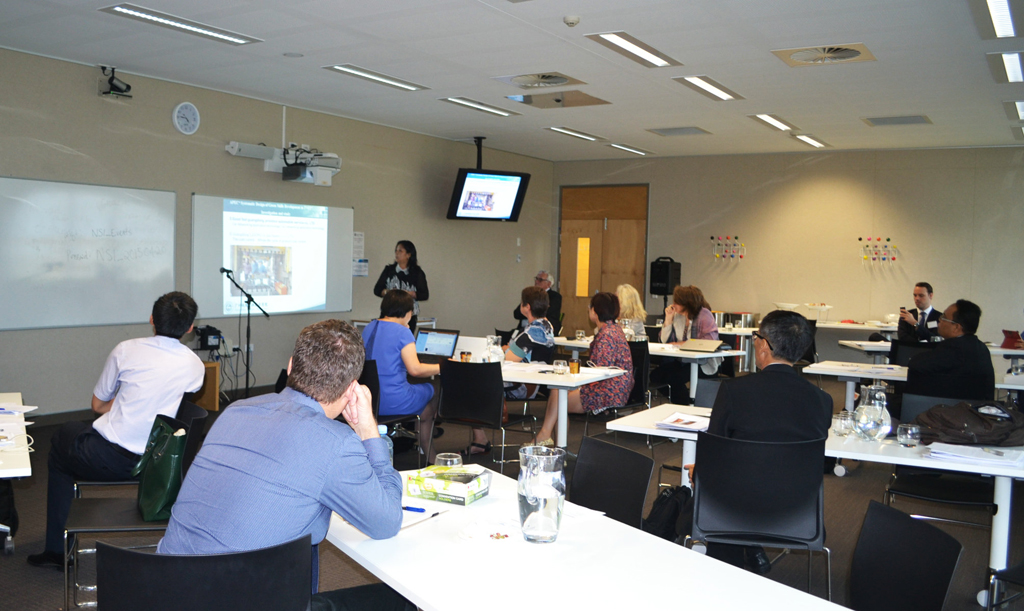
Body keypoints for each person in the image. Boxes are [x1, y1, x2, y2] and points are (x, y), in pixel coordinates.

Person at [158, 320, 412, 611]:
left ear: (291, 366)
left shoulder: (235, 411)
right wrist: (368, 432)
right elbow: (386, 522)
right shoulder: (336, 442)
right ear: (352, 388)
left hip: (164, 590)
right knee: (400, 602)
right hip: (239, 599)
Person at [29, 292, 205, 568]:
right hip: (157, 465)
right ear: (190, 327)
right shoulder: (195, 365)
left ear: (152, 319)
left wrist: (126, 400)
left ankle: (57, 550)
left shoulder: (126, 349)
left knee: (62, 439)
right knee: (75, 432)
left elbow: (98, 405)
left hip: (108, 458)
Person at [705, 309, 833, 574]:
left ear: (764, 345)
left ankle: (723, 574)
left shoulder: (734, 391)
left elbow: (715, 452)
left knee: (710, 483)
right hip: (798, 513)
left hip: (735, 511)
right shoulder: (823, 400)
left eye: (756, 336)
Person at [534, 292, 634, 446]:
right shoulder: (614, 330)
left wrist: (577, 382)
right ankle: (554, 443)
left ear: (595, 311)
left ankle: (547, 437)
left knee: (558, 396)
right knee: (558, 392)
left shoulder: (606, 336)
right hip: (617, 386)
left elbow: (600, 371)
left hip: (608, 390)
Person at [468, 287, 554, 454]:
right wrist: (508, 348)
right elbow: (511, 351)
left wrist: (506, 349)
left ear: (527, 307)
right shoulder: (544, 325)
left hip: (522, 384)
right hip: (525, 378)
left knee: (471, 383)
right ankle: (479, 438)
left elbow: (507, 357)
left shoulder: (535, 330)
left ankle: (480, 439)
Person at [362, 290, 439, 462]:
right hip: (395, 401)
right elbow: (415, 370)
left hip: (369, 401)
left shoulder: (369, 327)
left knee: (425, 407)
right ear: (408, 312)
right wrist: (442, 367)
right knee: (433, 389)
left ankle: (424, 423)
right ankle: (429, 452)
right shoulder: (403, 332)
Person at [906, 299, 995, 400]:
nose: (939, 319)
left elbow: (915, 364)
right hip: (979, 407)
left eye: (944, 317)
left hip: (949, 407)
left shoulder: (951, 348)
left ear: (956, 327)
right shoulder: (982, 348)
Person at [650, 285, 722, 404]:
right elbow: (664, 341)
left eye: (676, 302)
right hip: (683, 361)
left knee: (674, 378)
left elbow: (708, 342)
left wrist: (680, 344)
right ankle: (684, 403)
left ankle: (684, 404)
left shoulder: (704, 315)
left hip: (703, 363)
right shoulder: (678, 316)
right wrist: (668, 319)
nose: (673, 305)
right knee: (656, 375)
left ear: (686, 303)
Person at [374, 240, 428, 332]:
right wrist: (388, 292)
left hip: (408, 316)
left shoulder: (417, 273)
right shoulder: (389, 270)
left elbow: (424, 295)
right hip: (388, 314)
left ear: (408, 255)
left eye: (400, 251)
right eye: (396, 250)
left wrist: (408, 294)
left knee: (404, 339)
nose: (397, 253)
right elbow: (377, 290)